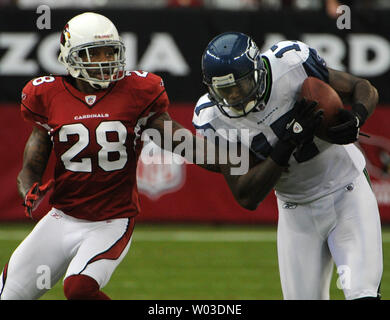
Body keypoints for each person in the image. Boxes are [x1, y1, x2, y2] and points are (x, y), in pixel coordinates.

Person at [0, 12, 214, 300]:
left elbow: (183, 143)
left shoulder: (137, 91)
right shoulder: (46, 94)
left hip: (111, 220)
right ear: (70, 56)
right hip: (62, 217)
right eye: (93, 54)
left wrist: (232, 160)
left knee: (79, 288)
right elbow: (31, 165)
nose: (104, 61)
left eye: (109, 52)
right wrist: (29, 190)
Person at [192, 31, 383, 300]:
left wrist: (357, 118)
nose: (234, 97)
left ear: (257, 71)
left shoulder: (291, 63)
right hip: (296, 211)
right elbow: (246, 195)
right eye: (225, 90)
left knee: (362, 293)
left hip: (346, 190)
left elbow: (362, 87)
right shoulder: (212, 117)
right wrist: (289, 140)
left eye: (241, 86)